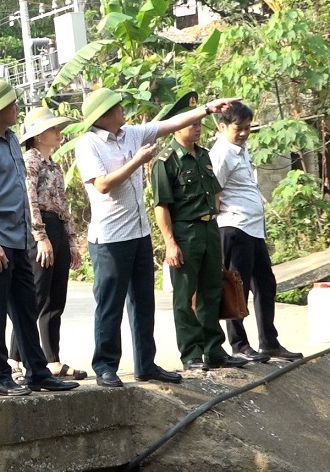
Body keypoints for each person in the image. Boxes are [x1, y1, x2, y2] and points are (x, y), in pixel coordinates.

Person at [75, 87, 238, 388]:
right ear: (104, 115)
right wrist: (137, 162)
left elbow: (171, 123)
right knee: (110, 305)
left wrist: (207, 108)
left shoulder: (132, 134)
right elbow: (102, 185)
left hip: (139, 233)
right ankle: (106, 366)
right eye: (117, 108)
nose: (123, 111)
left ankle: (146, 365)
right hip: (110, 238)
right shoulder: (88, 144)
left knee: (143, 304)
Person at [0, 80, 79, 397]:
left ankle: (37, 372)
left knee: (26, 309)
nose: (16, 109)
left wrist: (30, 237)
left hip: (17, 240)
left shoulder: (11, 140)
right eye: (12, 104)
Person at [150, 92, 248, 371]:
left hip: (209, 229)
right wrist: (170, 242)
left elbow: (215, 192)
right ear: (177, 123)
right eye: (191, 122)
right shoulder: (166, 161)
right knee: (185, 296)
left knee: (211, 290)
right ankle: (191, 353)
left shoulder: (204, 155)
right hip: (185, 232)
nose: (197, 126)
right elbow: (162, 206)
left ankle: (213, 349)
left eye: (198, 122)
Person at [209, 101, 302, 363]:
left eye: (248, 128)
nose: (244, 133)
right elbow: (214, 193)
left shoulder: (241, 148)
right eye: (239, 128)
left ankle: (269, 342)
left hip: (253, 229)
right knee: (236, 288)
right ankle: (239, 344)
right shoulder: (221, 154)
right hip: (234, 228)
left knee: (265, 284)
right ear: (222, 125)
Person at [7, 106, 87, 382]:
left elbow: (63, 204)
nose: (58, 133)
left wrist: (72, 241)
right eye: (53, 129)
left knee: (55, 298)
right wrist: (40, 236)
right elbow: (29, 201)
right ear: (39, 135)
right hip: (38, 230)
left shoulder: (53, 163)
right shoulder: (30, 161)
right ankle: (15, 359)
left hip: (57, 228)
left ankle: (52, 358)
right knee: (34, 296)